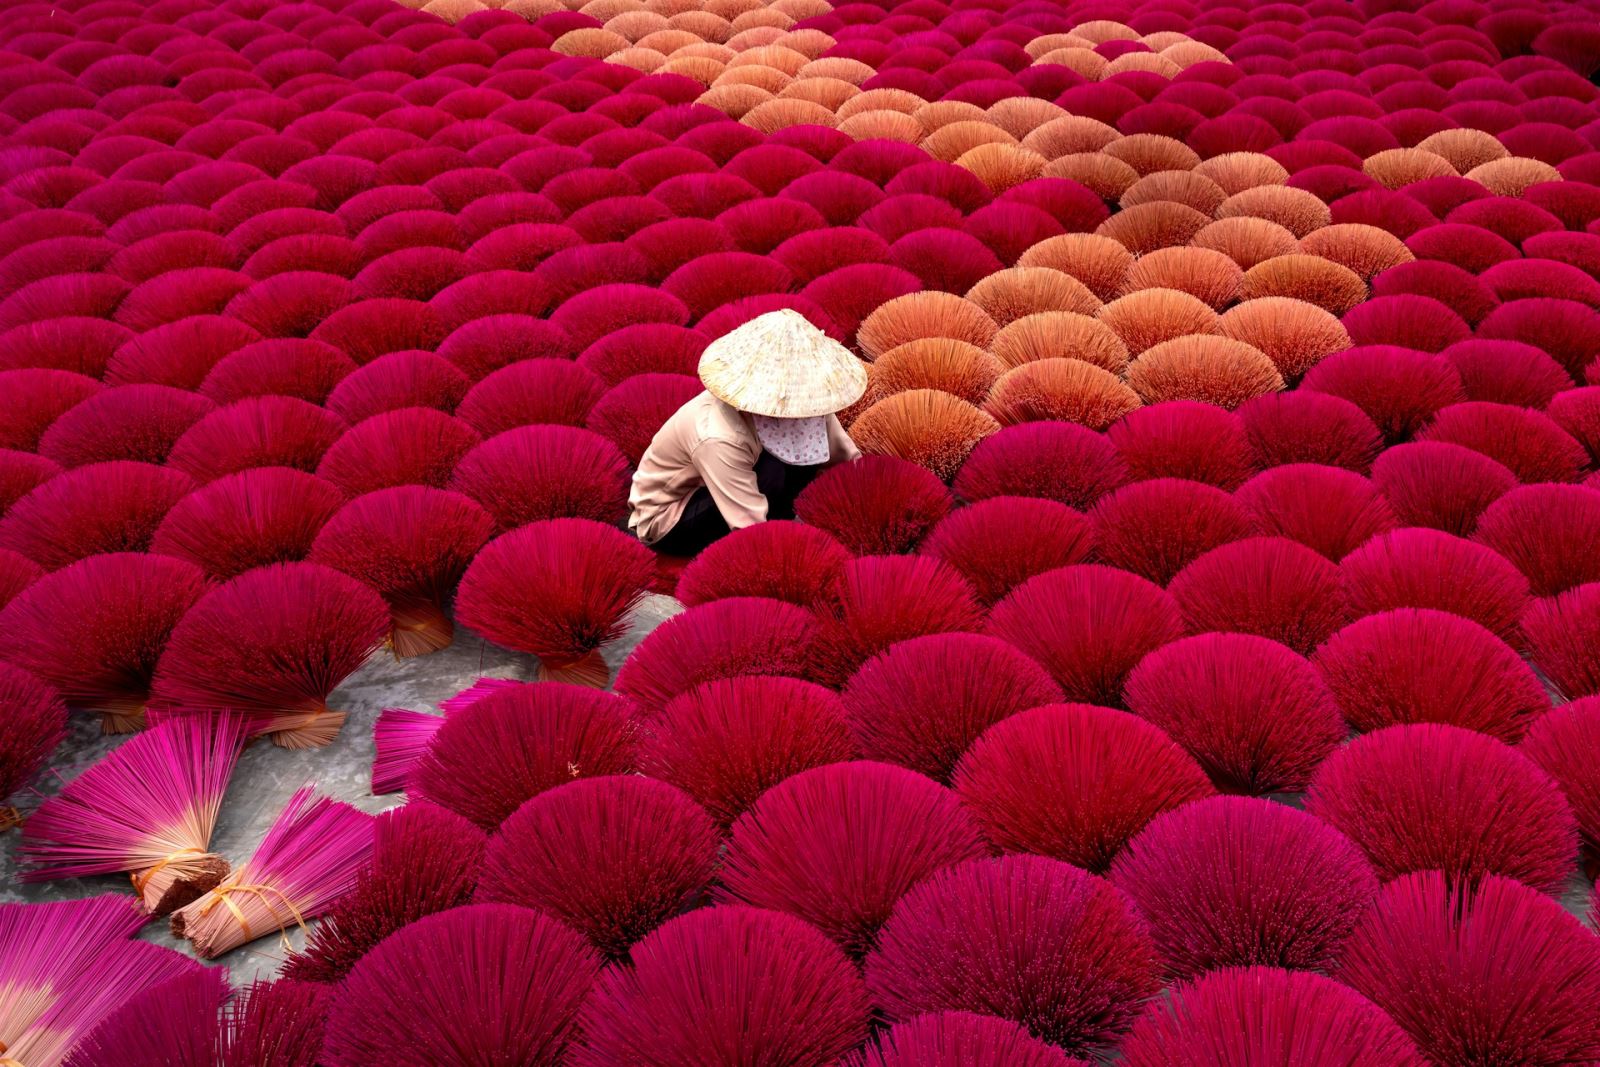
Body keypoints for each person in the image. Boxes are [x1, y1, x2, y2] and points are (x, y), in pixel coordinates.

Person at [628, 309, 866, 555]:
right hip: (671, 514)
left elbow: (844, 461)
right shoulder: (718, 434)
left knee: (804, 452)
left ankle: (780, 522)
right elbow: (746, 525)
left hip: (735, 485)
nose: (799, 404)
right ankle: (778, 531)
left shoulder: (807, 402)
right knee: (772, 471)